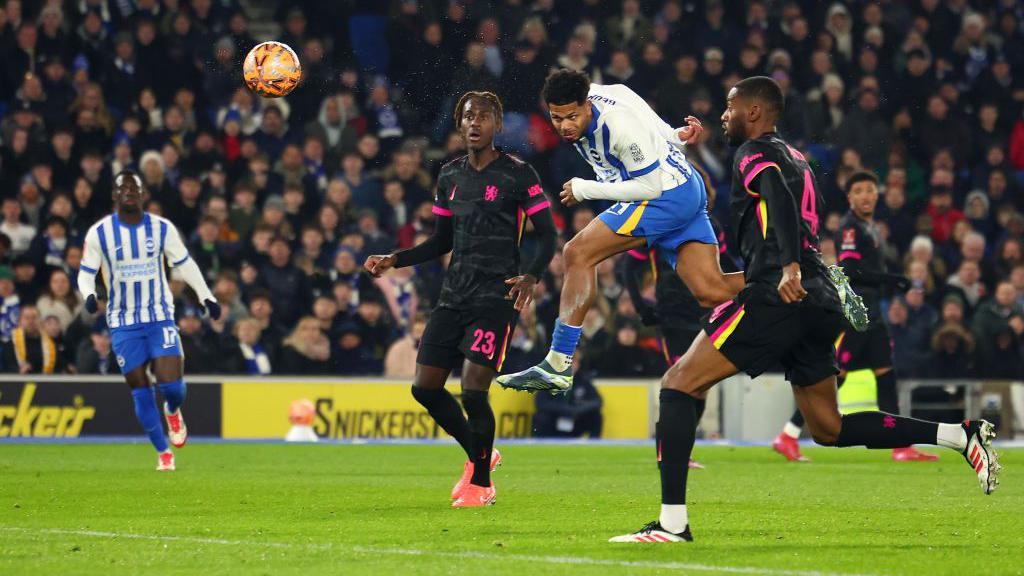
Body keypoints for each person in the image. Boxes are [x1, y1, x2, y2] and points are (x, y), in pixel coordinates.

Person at [610, 77, 1001, 544]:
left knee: (677, 384)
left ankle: (672, 524)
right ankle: (960, 435)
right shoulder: (797, 157)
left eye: (730, 108)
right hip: (819, 297)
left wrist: (789, 265)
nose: (723, 116)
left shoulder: (753, 154)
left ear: (754, 112)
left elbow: (776, 197)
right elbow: (792, 205)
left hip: (781, 290)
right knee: (829, 428)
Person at [364, 91, 557, 508]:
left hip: (495, 295)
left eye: (484, 117)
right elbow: (441, 241)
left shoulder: (519, 174)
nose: (475, 123)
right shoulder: (450, 176)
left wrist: (532, 274)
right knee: (425, 388)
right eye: (468, 116)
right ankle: (478, 453)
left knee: (473, 390)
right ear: (459, 123)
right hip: (454, 295)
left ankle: (482, 484)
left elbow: (548, 234)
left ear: (497, 126)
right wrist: (395, 259)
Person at [498, 69, 744, 393]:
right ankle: (805, 279)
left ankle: (558, 362)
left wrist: (586, 189)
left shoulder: (618, 127)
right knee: (711, 289)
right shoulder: (605, 92)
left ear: (587, 105)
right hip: (684, 186)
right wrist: (672, 134)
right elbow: (634, 100)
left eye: (572, 116)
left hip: (664, 196)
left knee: (576, 252)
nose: (565, 126)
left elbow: (649, 186)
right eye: (557, 118)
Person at [772, 171, 935, 463]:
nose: (865, 195)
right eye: (858, 190)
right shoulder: (850, 228)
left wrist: (888, 280)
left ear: (877, 194)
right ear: (850, 198)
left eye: (870, 189)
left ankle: (901, 446)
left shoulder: (870, 227)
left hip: (873, 317)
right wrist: (891, 279)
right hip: (855, 315)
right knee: (835, 378)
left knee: (887, 378)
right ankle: (788, 434)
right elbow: (849, 269)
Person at [77, 170, 221, 472]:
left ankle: (172, 410)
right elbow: (86, 272)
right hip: (123, 322)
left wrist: (206, 295)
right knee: (140, 387)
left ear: (144, 194)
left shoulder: (162, 228)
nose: (129, 191)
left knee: (171, 387)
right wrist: (88, 294)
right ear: (114, 195)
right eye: (122, 188)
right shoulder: (99, 233)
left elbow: (185, 263)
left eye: (135, 187)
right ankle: (163, 451)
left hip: (159, 316)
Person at [621, 175, 736, 469]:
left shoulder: (715, 229)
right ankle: (668, 452)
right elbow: (629, 265)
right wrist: (640, 305)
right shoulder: (660, 222)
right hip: (671, 313)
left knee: (700, 385)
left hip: (707, 312)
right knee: (681, 383)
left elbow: (727, 268)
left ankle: (680, 451)